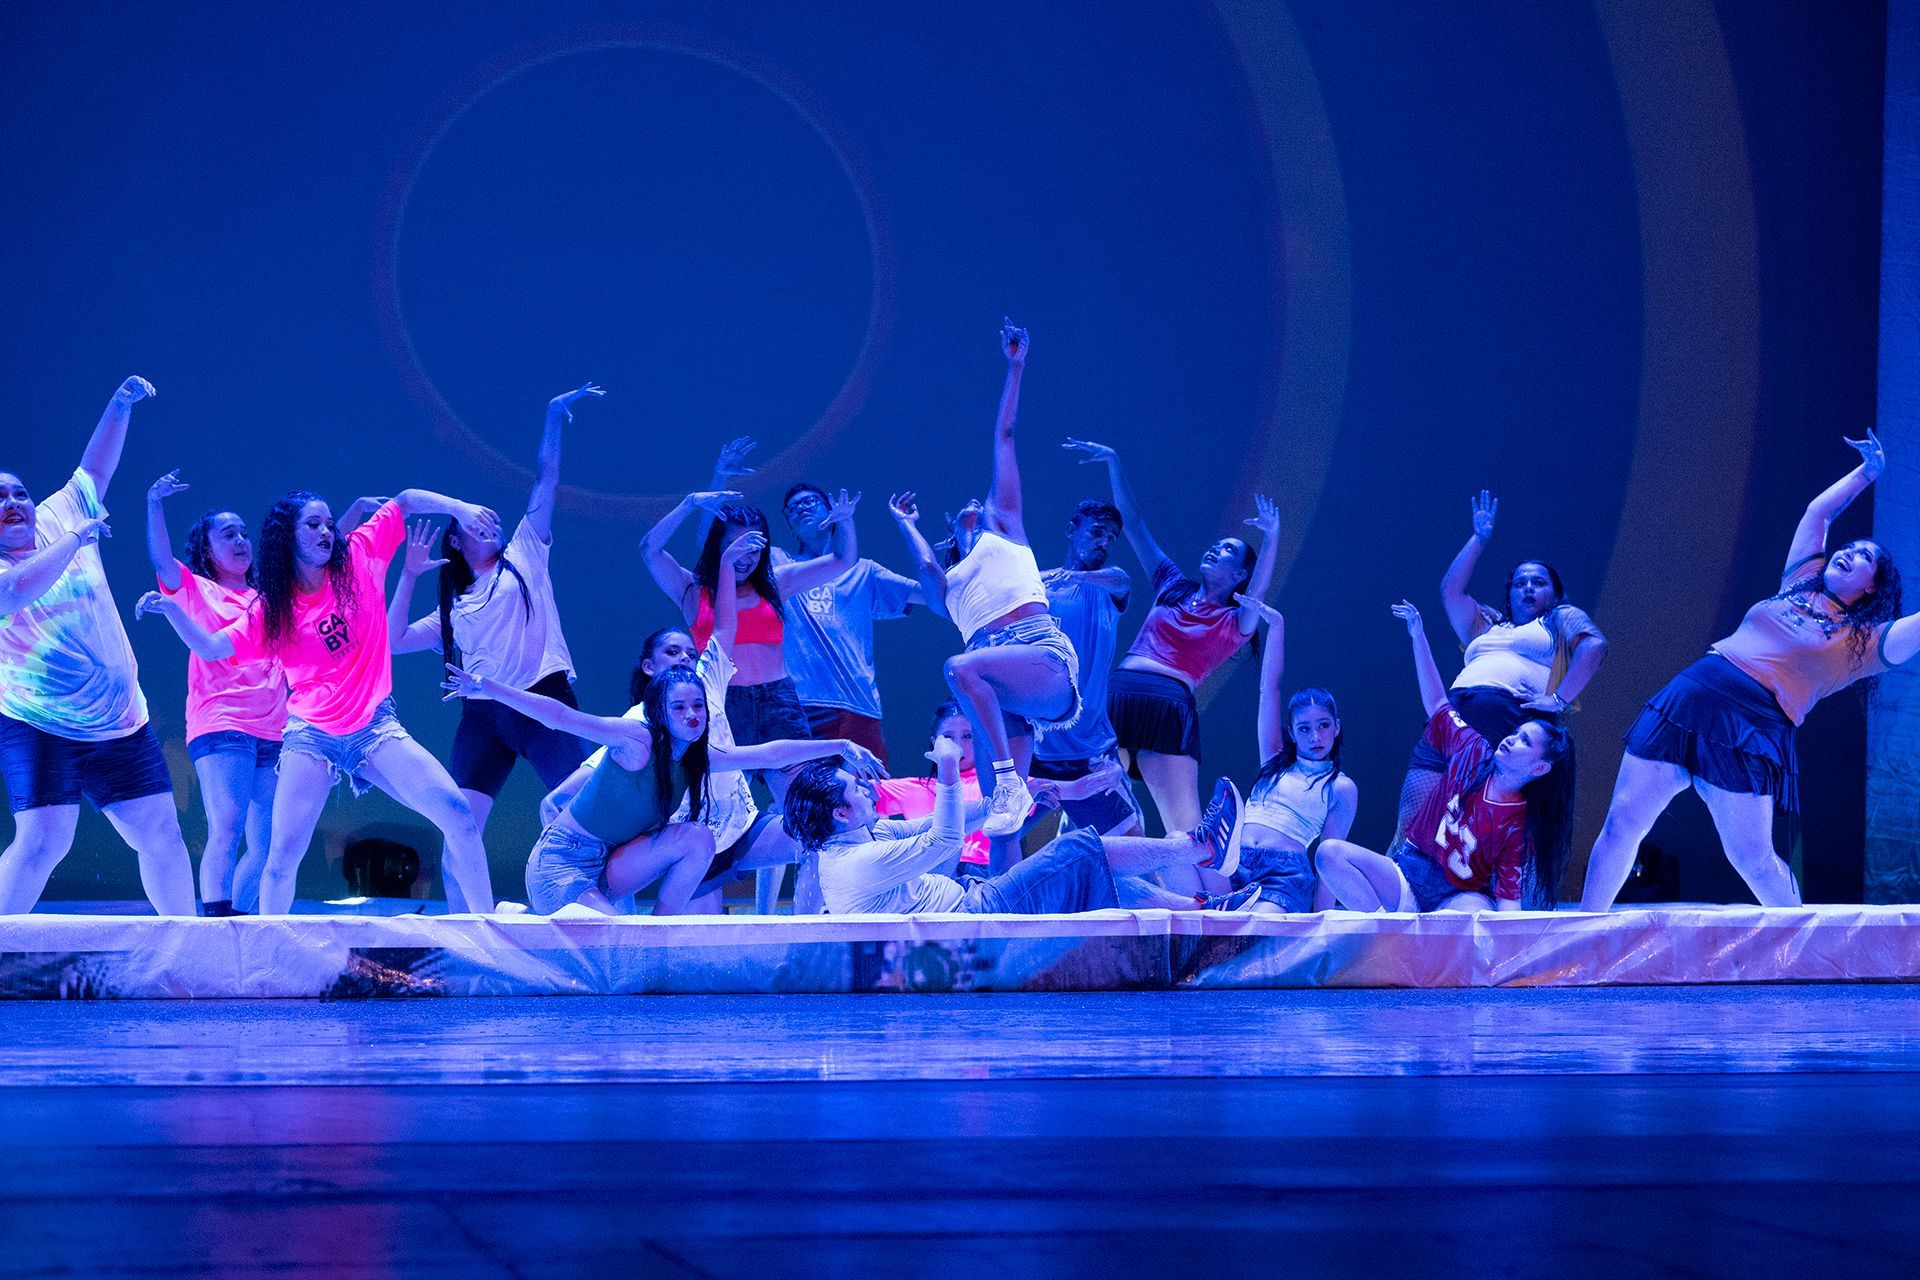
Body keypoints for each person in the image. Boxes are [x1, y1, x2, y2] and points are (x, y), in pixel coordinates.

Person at [1581, 432, 1916, 911]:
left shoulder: (1860, 644)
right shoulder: (1799, 582)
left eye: (1865, 556)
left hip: (1750, 728)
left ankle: (1805, 949)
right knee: (1622, 824)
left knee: (1753, 859)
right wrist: (1867, 473)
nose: (1849, 552)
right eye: (1850, 546)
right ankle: (1584, 934)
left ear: (1872, 589)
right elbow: (1817, 514)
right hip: (1690, 698)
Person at [137, 489, 505, 914]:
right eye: (312, 525)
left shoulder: (359, 556)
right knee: (280, 859)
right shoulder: (273, 610)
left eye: (329, 524)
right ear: (288, 537)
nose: (326, 532)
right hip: (311, 738)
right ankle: (268, 946)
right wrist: (173, 611)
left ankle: (487, 929)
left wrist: (461, 508)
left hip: (374, 727)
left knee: (458, 815)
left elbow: (404, 501)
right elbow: (212, 647)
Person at [537, 532, 882, 914]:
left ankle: (805, 932)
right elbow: (559, 795)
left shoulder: (709, 685)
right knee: (688, 941)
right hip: (690, 852)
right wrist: (566, 855)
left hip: (742, 832)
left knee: (825, 827)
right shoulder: (636, 729)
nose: (685, 658)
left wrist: (728, 566)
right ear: (649, 667)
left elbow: (724, 632)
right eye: (673, 653)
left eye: (690, 652)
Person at [447, 637, 883, 917]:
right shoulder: (634, 739)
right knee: (612, 946)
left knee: (697, 838)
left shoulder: (695, 757)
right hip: (562, 865)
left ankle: (658, 936)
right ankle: (525, 918)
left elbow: (769, 753)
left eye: (698, 706)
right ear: (660, 711)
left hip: (612, 865)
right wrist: (489, 688)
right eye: (680, 707)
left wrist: (841, 745)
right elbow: (562, 717)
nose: (693, 715)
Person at [0, 376, 196, 916]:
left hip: (120, 721)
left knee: (161, 834)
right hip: (41, 722)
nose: (13, 502)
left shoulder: (59, 513)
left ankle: (189, 947)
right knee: (44, 842)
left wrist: (119, 404)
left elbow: (96, 470)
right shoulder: (62, 534)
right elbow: (14, 591)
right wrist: (75, 538)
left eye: (19, 493)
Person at [889, 319, 1081, 841]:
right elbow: (927, 571)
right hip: (994, 687)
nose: (976, 503)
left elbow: (1004, 437)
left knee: (958, 666)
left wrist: (1016, 367)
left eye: (981, 502)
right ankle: (1007, 819)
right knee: (1001, 828)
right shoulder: (948, 584)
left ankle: (1010, 783)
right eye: (965, 510)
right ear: (950, 532)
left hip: (1036, 655)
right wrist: (906, 525)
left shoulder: (1006, 526)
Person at [386, 383, 601, 842]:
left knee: (580, 813)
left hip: (543, 700)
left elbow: (546, 480)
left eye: (492, 520)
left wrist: (553, 414)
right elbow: (393, 641)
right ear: (455, 540)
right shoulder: (452, 608)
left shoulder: (524, 555)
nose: (489, 524)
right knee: (460, 827)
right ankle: (464, 895)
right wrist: (408, 574)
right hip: (484, 714)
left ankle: (590, 887)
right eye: (474, 522)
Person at [642, 475, 860, 913]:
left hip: (777, 706)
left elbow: (842, 559)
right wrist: (689, 503)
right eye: (737, 547)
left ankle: (806, 919)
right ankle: (701, 917)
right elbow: (649, 548)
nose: (746, 557)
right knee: (712, 818)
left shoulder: (774, 584)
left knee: (811, 809)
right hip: (720, 710)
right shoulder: (692, 590)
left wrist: (844, 522)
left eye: (754, 548)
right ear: (719, 546)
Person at [1061, 436, 1281, 851]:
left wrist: (1272, 536)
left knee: (1185, 829)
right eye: (1217, 544)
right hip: (1117, 698)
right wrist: (1113, 461)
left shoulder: (1235, 622)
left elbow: (1261, 587)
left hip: (1167, 707)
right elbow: (1135, 524)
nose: (1215, 549)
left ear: (1239, 576)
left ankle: (1212, 888)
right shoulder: (1172, 586)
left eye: (1227, 551)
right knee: (1095, 813)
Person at [1400, 490, 1608, 903]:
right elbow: (1450, 592)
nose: (1528, 588)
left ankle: (1485, 908)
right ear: (1509, 592)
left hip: (1501, 721)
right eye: (1520, 582)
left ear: (1555, 593)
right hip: (1449, 719)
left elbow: (1595, 647)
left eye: (1539, 582)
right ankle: (1404, 904)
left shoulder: (1558, 620)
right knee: (1414, 821)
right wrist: (1478, 539)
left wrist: (1559, 701)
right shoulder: (1488, 626)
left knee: (1486, 823)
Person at [784, 731, 1247, 916]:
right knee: (1078, 849)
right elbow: (945, 840)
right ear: (839, 813)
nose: (868, 790)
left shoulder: (862, 835)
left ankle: (1203, 910)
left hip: (972, 895)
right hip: (974, 915)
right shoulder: (857, 862)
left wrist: (1007, 802)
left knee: (1094, 876)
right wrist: (948, 769)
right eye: (856, 789)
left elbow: (943, 822)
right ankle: (1202, 847)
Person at [1315, 602, 1572, 914]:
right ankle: (1387, 929)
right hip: (1408, 876)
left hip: (1456, 897)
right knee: (1329, 855)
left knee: (1477, 912)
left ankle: (1422, 933)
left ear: (1540, 767)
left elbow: (1508, 902)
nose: (1511, 739)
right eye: (1516, 733)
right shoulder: (1472, 750)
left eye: (1524, 742)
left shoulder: (1517, 823)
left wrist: (1506, 941)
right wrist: (1418, 635)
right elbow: (1437, 702)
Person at [143, 468, 287, 914]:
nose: (241, 540)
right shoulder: (196, 588)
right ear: (207, 549)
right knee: (227, 828)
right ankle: (215, 925)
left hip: (275, 728)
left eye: (244, 533)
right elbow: (162, 562)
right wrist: (154, 502)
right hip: (223, 722)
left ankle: (233, 923)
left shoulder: (267, 599)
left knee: (267, 846)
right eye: (228, 535)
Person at [776, 479, 920, 765]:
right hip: (801, 704)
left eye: (809, 502)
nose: (800, 509)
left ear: (831, 510)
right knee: (807, 789)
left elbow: (931, 594)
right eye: (792, 509)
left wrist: (908, 526)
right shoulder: (778, 562)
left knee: (870, 789)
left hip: (859, 705)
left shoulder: (865, 572)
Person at [1230, 595, 1357, 913]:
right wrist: (1276, 626)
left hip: (1282, 876)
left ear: (1337, 727)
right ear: (1291, 732)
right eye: (1304, 728)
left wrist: (1319, 920)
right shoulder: (1273, 761)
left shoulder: (1340, 786)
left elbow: (1328, 858)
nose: (1315, 736)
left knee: (1251, 931)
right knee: (1176, 846)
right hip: (1232, 862)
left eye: (1324, 725)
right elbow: (1269, 690)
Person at [1029, 499, 1146, 841]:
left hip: (1089, 750)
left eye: (1111, 538)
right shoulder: (1037, 589)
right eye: (1096, 532)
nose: (1104, 542)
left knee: (1132, 844)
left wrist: (1069, 576)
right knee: (995, 840)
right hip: (1036, 747)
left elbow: (1121, 580)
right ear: (1071, 530)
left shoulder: (1109, 586)